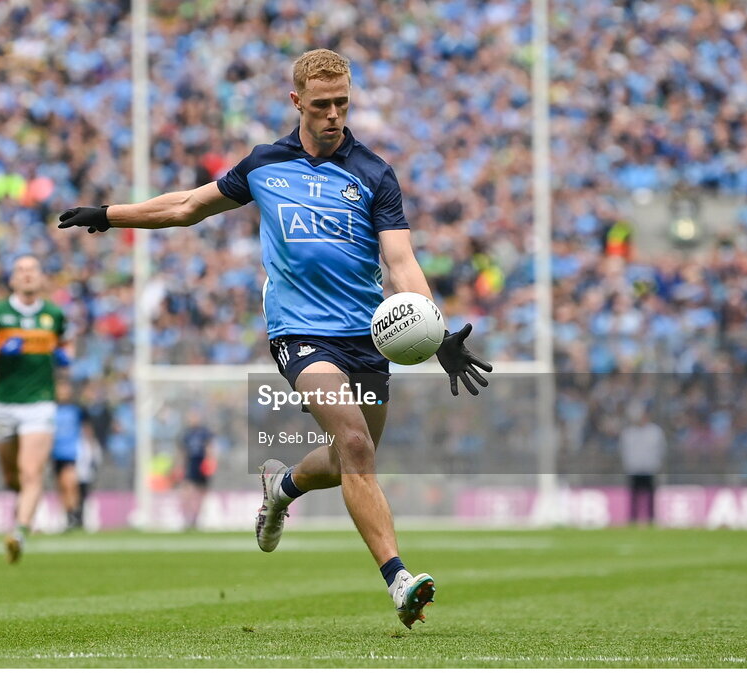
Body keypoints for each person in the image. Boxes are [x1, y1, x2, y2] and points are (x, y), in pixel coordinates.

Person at [58, 48, 491, 628]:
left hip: (369, 336)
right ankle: (399, 579)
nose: (334, 114)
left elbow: (401, 263)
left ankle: (281, 486)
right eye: (322, 105)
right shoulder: (265, 165)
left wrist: (434, 330)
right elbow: (188, 205)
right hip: (300, 332)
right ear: (296, 102)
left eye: (342, 103)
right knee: (358, 447)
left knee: (346, 460)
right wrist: (111, 214)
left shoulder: (374, 173)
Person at [0, 255, 74, 563]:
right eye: (21, 271)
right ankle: (21, 515)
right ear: (12, 279)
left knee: (31, 472)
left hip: (40, 403)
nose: (27, 275)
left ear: (41, 278)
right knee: (12, 477)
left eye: (32, 270)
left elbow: (67, 344)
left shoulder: (54, 314)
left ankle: (19, 532)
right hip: (4, 404)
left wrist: (65, 356)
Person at [620, 402, 668, 525]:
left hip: (649, 469)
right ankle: (633, 519)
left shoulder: (655, 432)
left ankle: (651, 519)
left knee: (651, 497)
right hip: (634, 469)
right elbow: (624, 450)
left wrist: (657, 464)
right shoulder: (629, 433)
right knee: (634, 497)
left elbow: (661, 449)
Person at [52, 378, 89, 530]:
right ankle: (69, 515)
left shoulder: (77, 409)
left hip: (72, 453)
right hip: (56, 453)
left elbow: (86, 429)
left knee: (70, 483)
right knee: (62, 486)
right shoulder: (50, 409)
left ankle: (75, 514)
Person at [177, 410, 217, 531]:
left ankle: (196, 519)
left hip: (202, 464)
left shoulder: (205, 432)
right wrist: (179, 466)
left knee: (201, 493)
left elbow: (210, 447)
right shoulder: (186, 434)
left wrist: (211, 462)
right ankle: (187, 518)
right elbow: (182, 452)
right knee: (186, 491)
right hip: (191, 464)